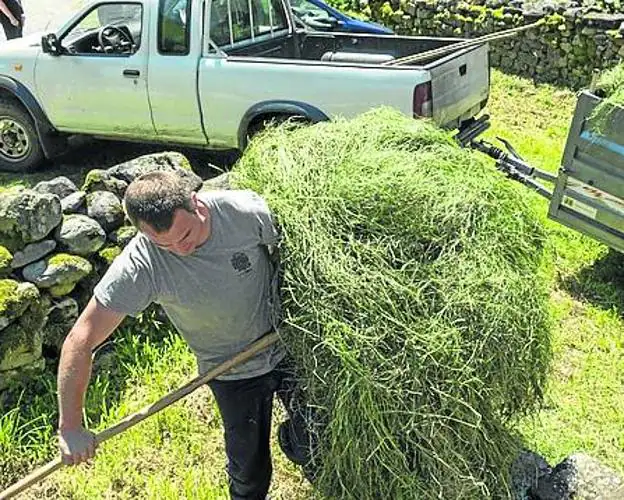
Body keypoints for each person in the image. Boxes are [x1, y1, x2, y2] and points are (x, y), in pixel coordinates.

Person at [57, 171, 314, 500]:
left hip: (286, 344)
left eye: (187, 234)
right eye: (165, 244)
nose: (181, 249)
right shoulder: (142, 263)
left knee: (318, 438)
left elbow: (300, 255)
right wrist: (70, 427)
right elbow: (81, 339)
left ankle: (299, 446)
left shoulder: (245, 213)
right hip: (229, 371)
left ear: (196, 204)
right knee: (249, 473)